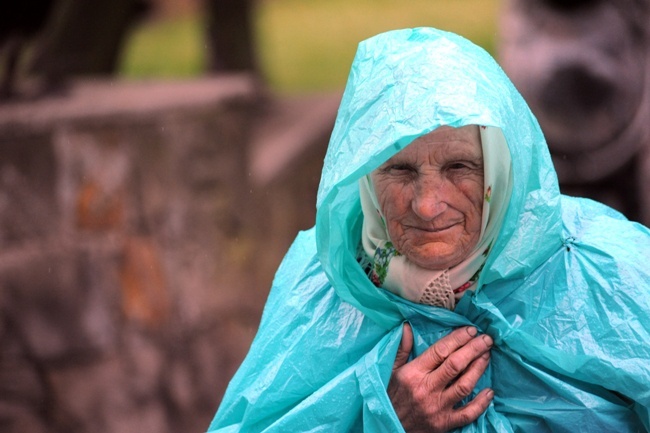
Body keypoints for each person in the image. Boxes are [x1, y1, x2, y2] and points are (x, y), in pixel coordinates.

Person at [208, 27, 650, 432]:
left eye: (460, 167)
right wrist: (386, 420)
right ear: (364, 176)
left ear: (499, 167)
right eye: (399, 170)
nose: (426, 204)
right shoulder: (323, 280)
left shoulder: (604, 268)